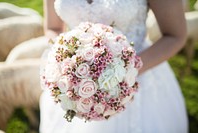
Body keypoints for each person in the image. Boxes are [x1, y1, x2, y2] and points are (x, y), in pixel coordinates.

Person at [40, 0, 188, 133]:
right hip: (72, 85)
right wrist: (64, 61)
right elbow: (53, 27)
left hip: (138, 77)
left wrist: (126, 71)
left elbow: (175, 35)